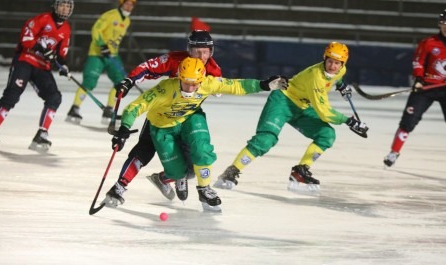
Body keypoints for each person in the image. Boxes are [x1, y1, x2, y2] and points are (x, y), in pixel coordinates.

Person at [104, 57, 288, 211]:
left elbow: (236, 86)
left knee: (202, 149)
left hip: (187, 120)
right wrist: (124, 128)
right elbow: (135, 107)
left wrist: (264, 85)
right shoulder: (165, 89)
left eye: (195, 84)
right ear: (179, 77)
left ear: (202, 80)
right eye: (186, 83)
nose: (190, 89)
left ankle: (205, 189)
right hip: (162, 128)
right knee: (178, 172)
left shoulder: (207, 84)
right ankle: (167, 177)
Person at [214, 42, 369, 192]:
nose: (333, 66)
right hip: (283, 101)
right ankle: (232, 171)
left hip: (302, 107)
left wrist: (341, 85)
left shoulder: (340, 71)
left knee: (326, 134)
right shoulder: (316, 77)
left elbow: (337, 77)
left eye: (337, 63)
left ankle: (300, 171)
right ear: (324, 58)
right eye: (330, 61)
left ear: (343, 64)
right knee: (266, 140)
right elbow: (324, 112)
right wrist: (349, 121)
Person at [102, 30, 222, 206]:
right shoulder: (175, 60)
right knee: (145, 148)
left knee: (194, 161)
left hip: (187, 116)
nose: (201, 56)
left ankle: (169, 178)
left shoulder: (214, 70)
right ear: (189, 50)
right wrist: (130, 81)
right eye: (197, 51)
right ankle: (119, 187)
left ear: (211, 51)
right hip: (161, 116)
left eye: (206, 51)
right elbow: (148, 67)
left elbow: (222, 88)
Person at [0, 0, 74, 151]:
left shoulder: (66, 29)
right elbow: (25, 39)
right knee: (12, 95)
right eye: (62, 5)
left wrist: (62, 66)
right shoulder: (41, 19)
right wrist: (41, 48)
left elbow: (60, 54)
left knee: (54, 97)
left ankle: (42, 134)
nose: (64, 8)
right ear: (55, 6)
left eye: (67, 6)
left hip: (42, 67)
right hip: (25, 60)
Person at [383, 9, 446, 167]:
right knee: (408, 121)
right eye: (444, 22)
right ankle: (394, 152)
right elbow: (418, 62)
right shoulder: (429, 43)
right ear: (440, 23)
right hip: (426, 87)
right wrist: (418, 78)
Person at [66, 0, 136, 125]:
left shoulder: (127, 21)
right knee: (89, 81)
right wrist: (102, 45)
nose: (129, 7)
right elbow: (96, 30)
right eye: (127, 4)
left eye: (132, 5)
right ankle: (74, 108)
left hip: (112, 56)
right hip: (97, 54)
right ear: (121, 4)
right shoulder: (109, 15)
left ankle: (109, 110)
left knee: (121, 82)